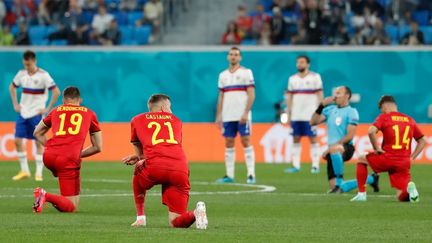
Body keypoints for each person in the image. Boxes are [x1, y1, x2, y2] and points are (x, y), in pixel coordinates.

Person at [122, 94, 208, 229]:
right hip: (180, 168)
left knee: (138, 169)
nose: (171, 111)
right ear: (163, 107)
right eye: (170, 107)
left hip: (156, 166)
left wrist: (138, 157)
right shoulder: (177, 121)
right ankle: (196, 213)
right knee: (176, 221)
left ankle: (140, 218)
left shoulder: (137, 120)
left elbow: (139, 149)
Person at [32, 86, 103, 213]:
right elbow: (98, 147)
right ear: (80, 100)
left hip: (48, 156)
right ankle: (45, 195)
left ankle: (56, 177)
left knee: (70, 197)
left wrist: (50, 147)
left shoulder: (56, 110)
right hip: (67, 159)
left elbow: (37, 132)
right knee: (71, 206)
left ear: (63, 100)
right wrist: (77, 154)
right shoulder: (89, 113)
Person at [350, 95, 425, 202]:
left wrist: (376, 148)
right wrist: (412, 157)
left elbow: (371, 131)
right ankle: (410, 192)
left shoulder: (385, 117)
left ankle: (361, 195)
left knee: (362, 158)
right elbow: (422, 140)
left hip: (388, 158)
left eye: (381, 109)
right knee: (400, 195)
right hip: (404, 161)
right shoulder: (409, 120)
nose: (381, 112)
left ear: (384, 106)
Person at [310, 86, 379, 193]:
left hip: (346, 147)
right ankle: (372, 179)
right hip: (332, 150)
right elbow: (313, 122)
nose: (335, 96)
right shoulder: (330, 110)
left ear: (347, 96)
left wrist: (331, 149)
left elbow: (349, 136)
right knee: (335, 189)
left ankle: (339, 183)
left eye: (338, 93)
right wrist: (321, 106)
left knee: (335, 150)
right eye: (335, 93)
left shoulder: (351, 112)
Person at [9, 50, 60, 181]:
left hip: (37, 113)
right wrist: (15, 104)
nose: (27, 67)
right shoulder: (21, 74)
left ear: (34, 61)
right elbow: (12, 87)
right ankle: (25, 171)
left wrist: (48, 109)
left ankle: (39, 173)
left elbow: (56, 92)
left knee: (40, 141)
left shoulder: (44, 75)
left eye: (29, 64)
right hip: (23, 112)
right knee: (17, 140)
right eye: (25, 64)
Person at [215, 47, 256, 184]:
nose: (233, 57)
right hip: (228, 115)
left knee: (246, 141)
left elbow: (251, 94)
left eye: (236, 55)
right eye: (231, 54)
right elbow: (221, 96)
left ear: (240, 58)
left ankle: (251, 174)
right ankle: (229, 175)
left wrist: (246, 112)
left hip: (242, 115)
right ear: (228, 57)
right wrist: (219, 115)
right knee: (229, 143)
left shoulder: (246, 73)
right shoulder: (223, 75)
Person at [284, 55, 323, 174]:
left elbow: (320, 95)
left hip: (310, 115)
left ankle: (315, 165)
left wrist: (320, 111)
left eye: (302, 62)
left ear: (308, 64)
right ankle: (296, 165)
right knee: (296, 138)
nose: (299, 64)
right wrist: (289, 112)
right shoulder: (292, 79)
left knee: (313, 138)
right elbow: (289, 96)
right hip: (296, 114)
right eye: (298, 62)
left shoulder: (315, 77)